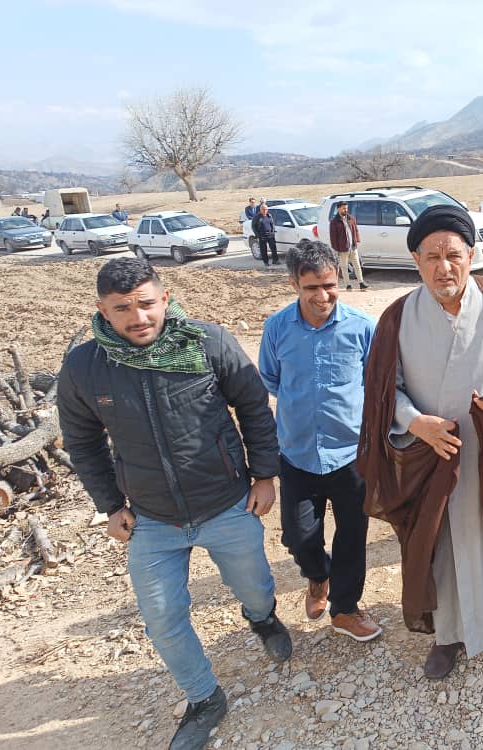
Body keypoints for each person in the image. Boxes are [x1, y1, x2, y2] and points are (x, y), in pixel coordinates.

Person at [57, 257, 290, 750]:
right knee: (162, 616)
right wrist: (110, 505)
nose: (138, 317)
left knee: (254, 587)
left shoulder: (207, 343)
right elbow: (83, 443)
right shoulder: (84, 368)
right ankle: (204, 697)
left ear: (164, 298)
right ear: (102, 310)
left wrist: (265, 476)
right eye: (122, 308)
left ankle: (262, 618)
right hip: (151, 518)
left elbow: (253, 407)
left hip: (226, 502)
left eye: (146, 304)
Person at [358, 205, 483, 679]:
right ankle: (447, 635)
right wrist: (415, 423)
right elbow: (382, 390)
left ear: (471, 255)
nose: (444, 267)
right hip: (433, 457)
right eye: (432, 257)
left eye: (453, 255)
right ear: (416, 261)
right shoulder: (397, 318)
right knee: (439, 542)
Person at [258, 239, 381, 641]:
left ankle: (345, 609)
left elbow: (375, 382)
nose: (323, 295)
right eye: (312, 287)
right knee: (298, 536)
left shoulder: (362, 328)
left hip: (351, 456)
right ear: (294, 284)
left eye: (329, 285)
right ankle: (317, 575)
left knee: (352, 537)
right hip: (297, 455)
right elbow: (271, 379)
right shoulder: (277, 328)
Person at [328, 201, 369, 291]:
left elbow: (356, 230)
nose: (345, 210)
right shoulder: (334, 222)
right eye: (343, 208)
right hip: (342, 249)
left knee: (357, 266)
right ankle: (348, 285)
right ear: (338, 209)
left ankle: (361, 283)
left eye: (346, 208)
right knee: (344, 267)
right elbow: (333, 237)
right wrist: (336, 249)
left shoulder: (351, 218)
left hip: (353, 247)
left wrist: (357, 241)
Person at [251, 203, 279, 267]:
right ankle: (266, 262)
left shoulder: (269, 216)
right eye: (263, 209)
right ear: (260, 210)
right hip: (262, 236)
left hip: (270, 235)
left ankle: (275, 260)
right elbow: (253, 227)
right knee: (263, 250)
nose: (264, 210)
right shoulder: (257, 217)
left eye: (266, 209)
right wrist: (258, 235)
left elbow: (272, 224)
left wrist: (272, 231)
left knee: (273, 248)